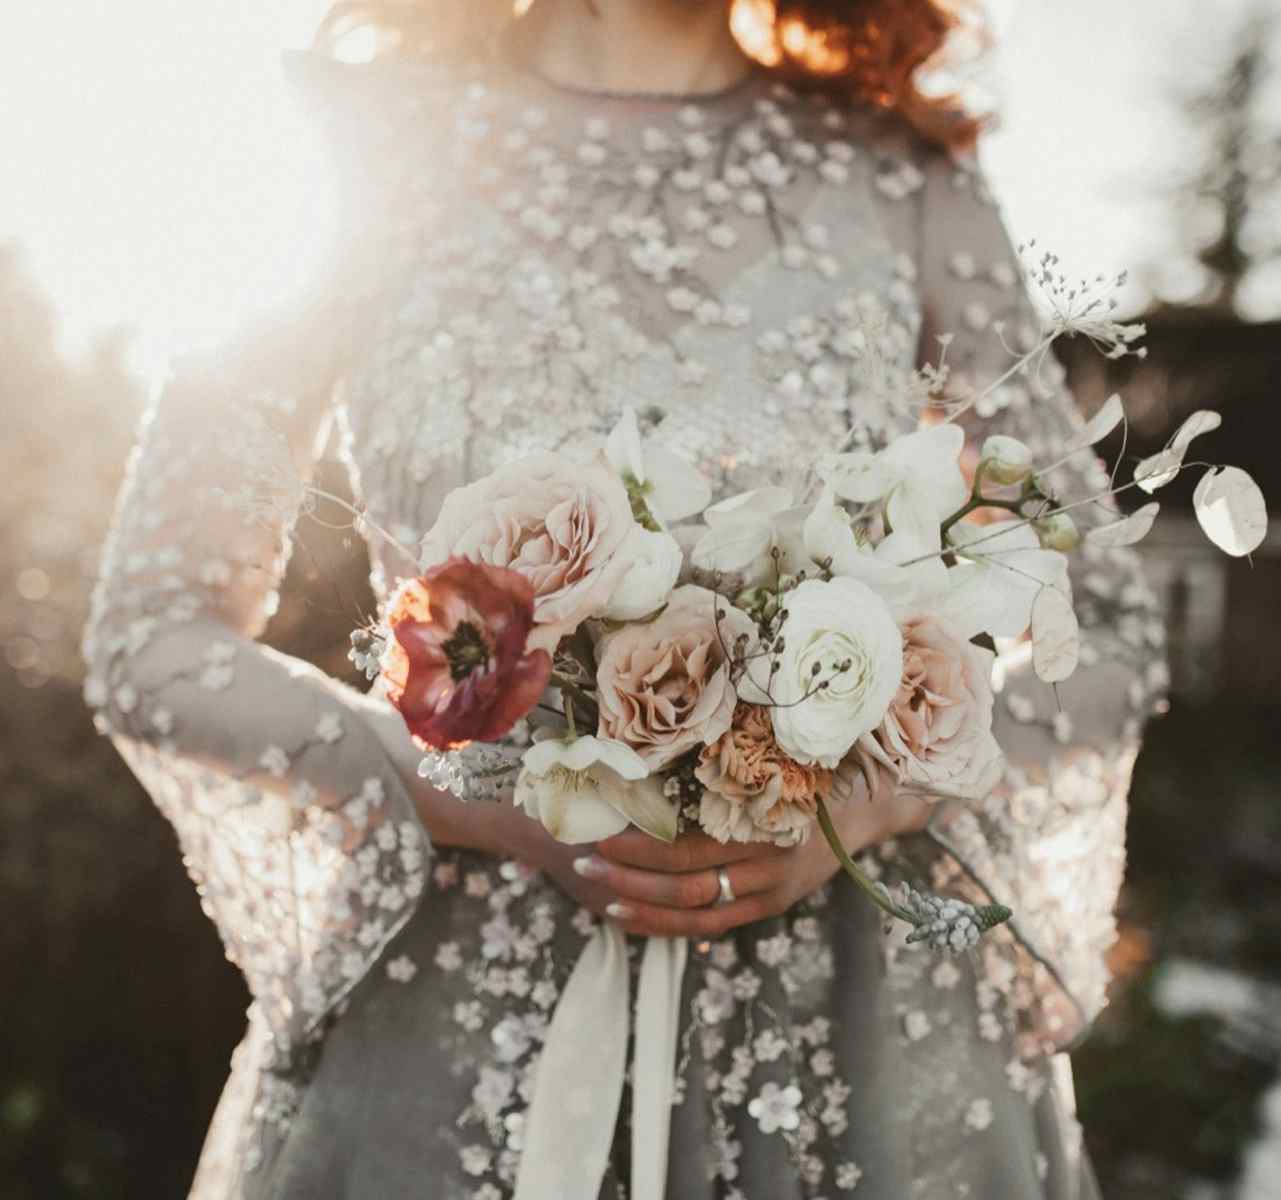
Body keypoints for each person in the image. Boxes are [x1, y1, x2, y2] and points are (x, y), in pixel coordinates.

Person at [82, 2, 1166, 1196]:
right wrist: (476, 803)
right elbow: (150, 638)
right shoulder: (369, 142)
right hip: (444, 1036)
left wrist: (860, 808)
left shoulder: (902, 172)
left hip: (855, 1043)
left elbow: (1107, 625)